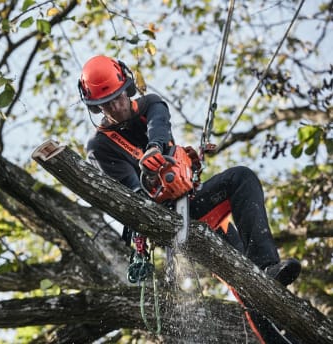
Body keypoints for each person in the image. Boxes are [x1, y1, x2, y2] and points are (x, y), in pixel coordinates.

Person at [78, 55, 302, 342]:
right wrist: (149, 189)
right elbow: (128, 197)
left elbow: (159, 125)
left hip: (196, 201)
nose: (115, 107)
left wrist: (156, 149)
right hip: (167, 222)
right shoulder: (101, 147)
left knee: (241, 180)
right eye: (105, 104)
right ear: (96, 107)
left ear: (127, 88)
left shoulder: (150, 104)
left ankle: (267, 269)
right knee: (232, 282)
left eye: (117, 98)